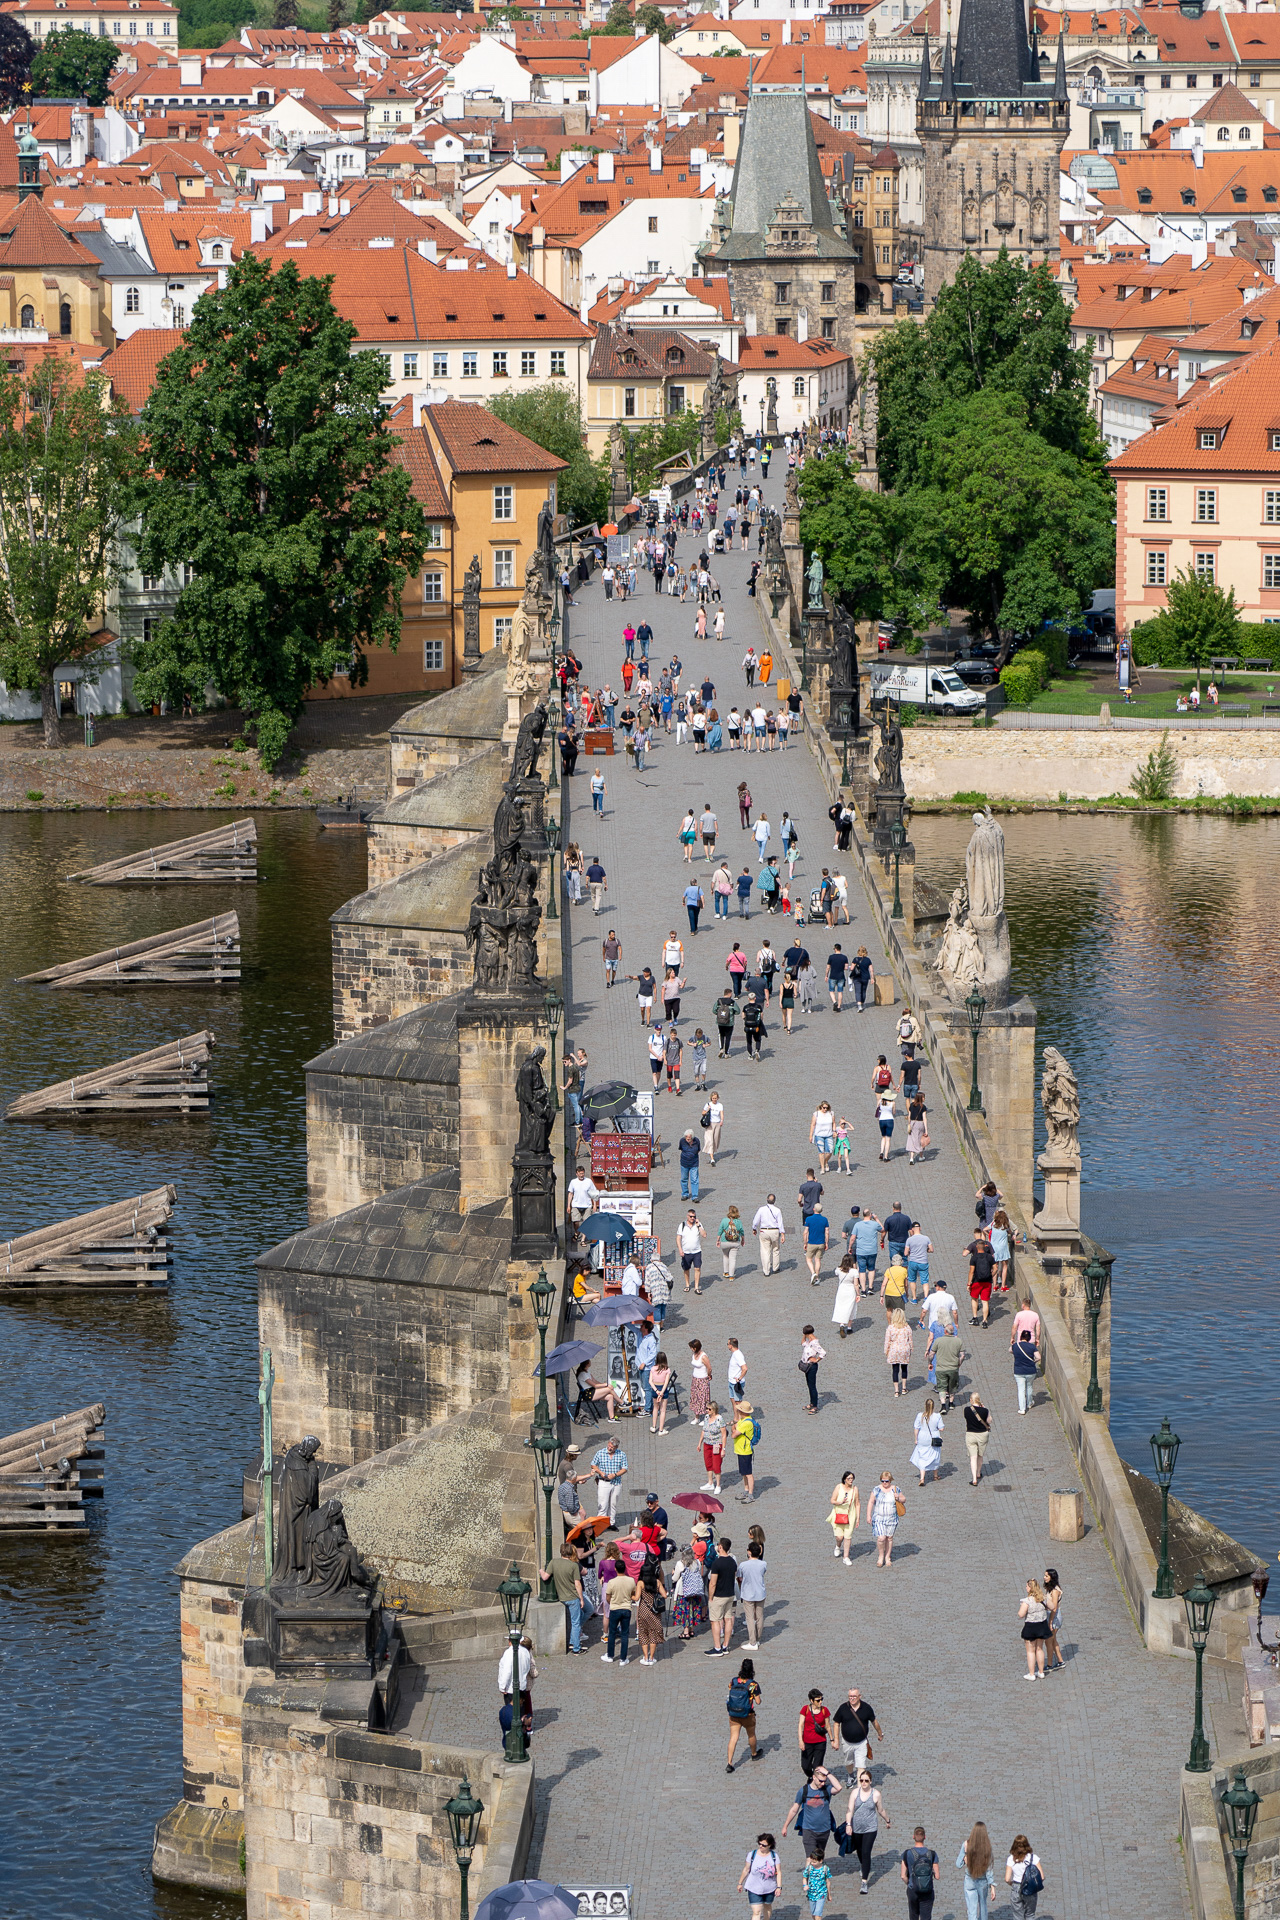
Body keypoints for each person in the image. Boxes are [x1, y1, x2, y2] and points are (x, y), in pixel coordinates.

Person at [843, 1770, 890, 1896]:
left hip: (870, 1828)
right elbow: (849, 1810)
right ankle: (864, 1866)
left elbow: (880, 1809)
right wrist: (848, 1824)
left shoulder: (876, 1794)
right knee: (859, 1850)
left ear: (871, 1781)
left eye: (866, 1781)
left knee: (866, 1852)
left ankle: (864, 1881)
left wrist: (887, 1820)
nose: (863, 1783)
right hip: (857, 1828)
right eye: (861, 1780)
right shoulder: (855, 1793)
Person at [782, 1765, 838, 1863]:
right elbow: (794, 1809)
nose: (823, 1783)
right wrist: (785, 1826)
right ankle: (806, 1878)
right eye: (820, 1781)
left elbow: (839, 1788)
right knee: (810, 1858)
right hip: (809, 1830)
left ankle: (818, 1877)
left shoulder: (826, 1790)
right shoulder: (804, 1791)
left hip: (824, 1830)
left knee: (819, 1858)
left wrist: (828, 1773)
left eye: (824, 1781)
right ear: (814, 1777)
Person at [832, 1686, 881, 1778]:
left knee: (861, 1767)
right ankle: (851, 1775)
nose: (852, 1698)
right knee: (848, 1762)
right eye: (850, 1696)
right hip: (847, 1742)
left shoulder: (866, 1708)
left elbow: (874, 1722)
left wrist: (880, 1733)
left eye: (854, 1696)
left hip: (861, 1743)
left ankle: (860, 1789)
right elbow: (836, 1723)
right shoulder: (843, 1708)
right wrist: (836, 1740)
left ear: (859, 1696)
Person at [726, 1658, 763, 1770]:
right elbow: (758, 1701)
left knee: (733, 1738)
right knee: (751, 1734)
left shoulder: (734, 1681)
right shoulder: (752, 1684)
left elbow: (730, 1690)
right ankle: (753, 1754)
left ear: (741, 1668)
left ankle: (730, 1763)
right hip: (747, 1714)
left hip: (734, 1714)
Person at [957, 1823, 996, 1920]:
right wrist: (992, 1886)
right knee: (983, 1907)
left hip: (969, 1879)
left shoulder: (966, 1844)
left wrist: (965, 1857)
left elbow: (958, 1864)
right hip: (983, 1881)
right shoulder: (987, 1847)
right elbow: (989, 1869)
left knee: (972, 1909)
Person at [601, 1560, 637, 1665]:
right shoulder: (631, 1580)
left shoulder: (612, 1582)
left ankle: (610, 1655)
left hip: (615, 1609)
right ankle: (623, 1659)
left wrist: (613, 1602)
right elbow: (632, 1593)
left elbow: (608, 1597)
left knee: (612, 1633)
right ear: (625, 1568)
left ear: (615, 1569)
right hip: (627, 1609)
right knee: (625, 1634)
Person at [707, 1532, 738, 1652]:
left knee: (715, 1620)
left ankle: (717, 1647)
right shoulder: (732, 1561)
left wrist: (710, 1597)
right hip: (730, 1594)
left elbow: (713, 1582)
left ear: (720, 1547)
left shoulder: (717, 1563)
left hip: (719, 1595)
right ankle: (725, 1645)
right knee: (728, 1619)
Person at [635, 1551, 667, 1666]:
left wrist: (631, 1596)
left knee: (643, 1634)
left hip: (643, 1609)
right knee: (653, 1634)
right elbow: (665, 1595)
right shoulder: (657, 1582)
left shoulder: (640, 1583)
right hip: (654, 1610)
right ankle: (652, 1658)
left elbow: (637, 1597)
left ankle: (645, 1657)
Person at [738, 1833, 781, 1919]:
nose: (760, 1846)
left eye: (764, 1845)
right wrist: (740, 1883)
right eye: (759, 1843)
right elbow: (746, 1869)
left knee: (767, 1907)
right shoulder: (752, 1855)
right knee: (756, 1911)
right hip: (753, 1888)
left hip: (769, 1888)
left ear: (770, 1845)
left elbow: (779, 1872)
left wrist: (779, 1887)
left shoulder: (774, 1856)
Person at [901, 1828, 941, 1920]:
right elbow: (937, 1876)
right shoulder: (932, 1854)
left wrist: (909, 1883)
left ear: (913, 1837)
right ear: (925, 1837)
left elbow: (903, 1876)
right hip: (927, 1890)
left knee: (913, 1915)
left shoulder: (907, 1853)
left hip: (913, 1889)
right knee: (926, 1917)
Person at [867, 1470, 903, 1567]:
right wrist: (868, 1515)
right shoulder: (876, 1489)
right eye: (882, 1481)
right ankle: (881, 1556)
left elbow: (904, 1499)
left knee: (889, 1538)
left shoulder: (895, 1489)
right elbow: (871, 1502)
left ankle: (888, 1557)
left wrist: (898, 1497)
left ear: (890, 1480)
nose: (884, 1483)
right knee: (881, 1538)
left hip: (891, 1518)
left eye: (886, 1481)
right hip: (879, 1517)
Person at [672, 1547, 708, 1640]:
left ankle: (686, 1631)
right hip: (695, 1589)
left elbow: (675, 1578)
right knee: (693, 1608)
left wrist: (673, 1573)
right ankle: (691, 1629)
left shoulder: (680, 1563)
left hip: (683, 1591)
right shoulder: (697, 1562)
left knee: (685, 1610)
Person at [1019, 1577, 1051, 1679]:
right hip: (1042, 1625)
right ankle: (1041, 1672)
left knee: (1030, 1651)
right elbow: (1052, 1606)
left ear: (1030, 1587)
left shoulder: (1027, 1601)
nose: (1026, 1588)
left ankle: (1031, 1674)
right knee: (1040, 1649)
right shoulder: (1043, 1598)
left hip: (1031, 1626)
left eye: (1027, 1586)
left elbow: (1021, 1614)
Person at [591, 1435, 628, 1523]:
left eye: (612, 1447)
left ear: (616, 1447)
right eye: (609, 1446)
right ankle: (600, 1523)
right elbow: (593, 1464)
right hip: (604, 1482)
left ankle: (611, 1522)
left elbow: (624, 1468)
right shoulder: (600, 1453)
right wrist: (600, 1472)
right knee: (602, 1504)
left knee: (613, 1504)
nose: (610, 1448)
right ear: (608, 1443)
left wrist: (615, 1474)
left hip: (616, 1482)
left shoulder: (621, 1454)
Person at [1006, 1837, 1045, 1918]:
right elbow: (1042, 1876)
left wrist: (1012, 1884)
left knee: (1017, 1916)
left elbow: (1007, 1879)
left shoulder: (1011, 1859)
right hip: (1030, 1888)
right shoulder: (1033, 1858)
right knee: (1030, 1914)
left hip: (1016, 1888)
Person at [797, 1689, 833, 1778]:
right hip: (807, 1742)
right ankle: (811, 1777)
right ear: (811, 1700)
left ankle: (815, 1781)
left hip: (820, 1742)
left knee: (817, 1766)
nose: (820, 1702)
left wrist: (832, 1739)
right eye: (818, 1700)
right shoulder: (805, 1709)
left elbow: (828, 1726)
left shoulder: (825, 1710)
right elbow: (800, 1725)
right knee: (805, 1765)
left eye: (821, 1699)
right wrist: (801, 1741)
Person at [736, 1535, 766, 1638]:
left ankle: (752, 1641)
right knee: (760, 1617)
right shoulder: (763, 1564)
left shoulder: (743, 1565)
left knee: (749, 1618)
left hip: (748, 1593)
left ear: (749, 1552)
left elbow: (739, 1578)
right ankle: (758, 1638)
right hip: (760, 1593)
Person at [932, 1323, 964, 1414]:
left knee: (942, 1387)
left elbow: (931, 1354)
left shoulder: (938, 1340)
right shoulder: (958, 1341)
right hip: (953, 1368)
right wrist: (959, 1364)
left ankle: (943, 1405)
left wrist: (930, 1362)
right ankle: (951, 1403)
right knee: (952, 1386)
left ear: (945, 1331)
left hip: (941, 1368)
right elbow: (962, 1355)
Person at [910, 1397, 943, 1486]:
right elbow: (941, 1428)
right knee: (935, 1455)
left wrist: (916, 1439)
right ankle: (935, 1475)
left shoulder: (920, 1415)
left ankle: (922, 1478)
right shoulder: (937, 1416)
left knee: (922, 1456)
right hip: (934, 1437)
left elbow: (916, 1428)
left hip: (922, 1437)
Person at [827, 1471, 859, 1563]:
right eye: (849, 1478)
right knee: (839, 1537)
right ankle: (838, 1546)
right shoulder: (839, 1487)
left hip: (850, 1516)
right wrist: (839, 1502)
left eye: (852, 1478)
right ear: (844, 1479)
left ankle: (846, 1557)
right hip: (838, 1515)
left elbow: (857, 1504)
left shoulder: (855, 1489)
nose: (851, 1480)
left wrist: (858, 1517)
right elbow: (832, 1500)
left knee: (848, 1537)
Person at [967, 1230, 996, 1328]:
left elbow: (971, 1271)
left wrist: (969, 1283)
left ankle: (975, 1318)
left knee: (974, 1299)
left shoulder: (974, 1258)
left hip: (976, 1281)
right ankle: (984, 1321)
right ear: (984, 1247)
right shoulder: (989, 1257)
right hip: (987, 1282)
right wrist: (991, 1275)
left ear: (976, 1248)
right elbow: (996, 1267)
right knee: (985, 1301)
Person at [753, 1193, 786, 1273]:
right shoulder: (777, 1210)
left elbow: (756, 1221)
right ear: (774, 1201)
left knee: (765, 1251)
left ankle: (766, 1271)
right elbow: (780, 1223)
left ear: (767, 1200)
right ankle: (775, 1268)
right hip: (774, 1231)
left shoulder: (761, 1209)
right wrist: (782, 1234)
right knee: (776, 1249)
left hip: (764, 1231)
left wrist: (754, 1228)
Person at [964, 1392, 992, 1485]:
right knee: (980, 1455)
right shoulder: (985, 1410)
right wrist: (983, 1409)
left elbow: (966, 1418)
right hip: (982, 1435)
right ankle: (978, 1472)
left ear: (971, 1400)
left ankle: (974, 1479)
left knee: (973, 1458)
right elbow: (989, 1421)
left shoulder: (967, 1410)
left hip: (971, 1434)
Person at [1012, 1322, 1040, 1415]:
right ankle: (1029, 1403)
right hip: (1030, 1370)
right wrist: (1033, 1362)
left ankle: (1022, 1409)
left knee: (1021, 1389)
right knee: (1029, 1386)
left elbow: (1010, 1350)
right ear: (1029, 1339)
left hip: (1019, 1371)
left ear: (1021, 1337)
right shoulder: (1032, 1347)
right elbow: (1038, 1357)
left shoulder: (1016, 1346)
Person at [733, 1401, 757, 1504]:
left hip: (745, 1451)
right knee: (744, 1473)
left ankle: (750, 1495)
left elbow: (734, 1434)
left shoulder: (746, 1423)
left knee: (748, 1473)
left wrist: (734, 1426)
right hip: (740, 1450)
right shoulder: (744, 1420)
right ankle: (746, 1491)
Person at [800, 1323, 826, 1414]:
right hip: (808, 1366)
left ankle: (815, 1406)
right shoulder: (809, 1341)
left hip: (812, 1366)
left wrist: (817, 1360)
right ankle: (811, 1403)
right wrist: (805, 1335)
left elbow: (823, 1352)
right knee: (809, 1385)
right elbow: (802, 1343)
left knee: (812, 1386)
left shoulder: (814, 1342)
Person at [832, 1254, 859, 1338]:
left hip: (841, 1290)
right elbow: (856, 1284)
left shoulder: (838, 1270)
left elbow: (836, 1272)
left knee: (841, 1307)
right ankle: (849, 1327)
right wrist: (858, 1294)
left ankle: (841, 1324)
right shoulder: (854, 1271)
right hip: (850, 1291)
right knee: (851, 1308)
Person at [678, 1209, 706, 1289]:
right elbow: (678, 1238)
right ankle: (687, 1284)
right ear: (687, 1216)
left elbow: (704, 1235)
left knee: (697, 1268)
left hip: (696, 1251)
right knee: (686, 1269)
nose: (692, 1218)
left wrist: (699, 1226)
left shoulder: (698, 1225)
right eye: (691, 1216)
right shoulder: (682, 1225)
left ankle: (696, 1287)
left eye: (694, 1217)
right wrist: (680, 1249)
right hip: (686, 1252)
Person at [1043, 1568, 1064, 1671]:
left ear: (1052, 1577)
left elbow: (1054, 1608)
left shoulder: (1055, 1591)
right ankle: (1060, 1661)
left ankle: (1050, 1664)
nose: (1044, 1577)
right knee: (1053, 1640)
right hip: (1049, 1615)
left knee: (1048, 1641)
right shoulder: (1050, 1589)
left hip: (1054, 1617)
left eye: (1046, 1576)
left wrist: (1050, 1621)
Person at [804, 1203, 830, 1286]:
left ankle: (813, 1273)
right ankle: (817, 1278)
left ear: (813, 1209)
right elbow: (827, 1232)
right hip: (821, 1243)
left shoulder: (809, 1219)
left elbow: (805, 1232)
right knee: (818, 1260)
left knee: (808, 1259)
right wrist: (826, 1242)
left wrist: (805, 1243)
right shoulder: (824, 1220)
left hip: (811, 1242)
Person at [688, 1336, 713, 1415]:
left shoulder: (704, 1357)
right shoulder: (694, 1354)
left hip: (702, 1379)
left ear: (695, 1348)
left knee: (703, 1398)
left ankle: (705, 1416)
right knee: (695, 1397)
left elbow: (709, 1368)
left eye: (692, 1347)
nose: (691, 1349)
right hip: (695, 1379)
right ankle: (697, 1417)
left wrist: (709, 1375)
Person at [810, 1101, 836, 1174]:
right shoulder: (816, 1114)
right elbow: (813, 1125)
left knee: (830, 1151)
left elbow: (833, 1123)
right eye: (824, 1108)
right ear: (821, 1107)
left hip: (829, 1135)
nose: (825, 1109)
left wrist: (834, 1131)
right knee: (821, 1152)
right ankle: (822, 1168)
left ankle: (825, 1161)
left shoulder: (831, 1113)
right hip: (819, 1135)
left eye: (827, 1108)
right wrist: (811, 1135)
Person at [803, 1855, 831, 1920]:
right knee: (813, 1914)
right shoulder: (809, 1868)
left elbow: (828, 1882)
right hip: (811, 1894)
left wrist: (829, 1894)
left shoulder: (825, 1869)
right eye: (811, 1862)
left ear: (820, 1861)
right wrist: (805, 1885)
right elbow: (805, 1877)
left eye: (814, 1862)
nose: (812, 1863)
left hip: (821, 1894)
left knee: (818, 1915)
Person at [990, 1210, 1012, 1290]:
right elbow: (1010, 1232)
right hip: (1003, 1248)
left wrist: (989, 1235)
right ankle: (1003, 1286)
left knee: (994, 1267)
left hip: (994, 1248)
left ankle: (995, 1285)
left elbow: (985, 1229)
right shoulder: (1005, 1226)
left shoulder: (993, 1225)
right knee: (1004, 1266)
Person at [875, 1085, 897, 1162]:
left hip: (882, 1120)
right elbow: (894, 1112)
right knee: (888, 1139)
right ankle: (886, 1156)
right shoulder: (892, 1103)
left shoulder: (880, 1101)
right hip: (890, 1120)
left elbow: (877, 1110)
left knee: (883, 1137)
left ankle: (881, 1152)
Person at [715, 990, 739, 1058]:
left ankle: (721, 1048)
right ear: (729, 994)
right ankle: (726, 1053)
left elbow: (714, 1010)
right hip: (729, 1022)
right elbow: (738, 1011)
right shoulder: (732, 1002)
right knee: (728, 1037)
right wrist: (732, 1013)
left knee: (721, 1035)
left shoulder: (718, 1001)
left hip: (720, 1022)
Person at [704, 1091, 726, 1166]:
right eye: (713, 1098)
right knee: (710, 1140)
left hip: (717, 1124)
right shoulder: (708, 1104)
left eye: (715, 1098)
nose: (714, 1100)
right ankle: (712, 1158)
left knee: (715, 1140)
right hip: (710, 1124)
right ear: (711, 1098)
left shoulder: (720, 1105)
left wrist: (722, 1121)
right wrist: (707, 1109)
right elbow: (703, 1113)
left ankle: (712, 1153)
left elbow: (721, 1114)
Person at [850, 946, 874, 1012]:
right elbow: (871, 970)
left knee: (858, 991)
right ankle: (862, 1003)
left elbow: (852, 968)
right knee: (863, 991)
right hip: (865, 977)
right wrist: (872, 978)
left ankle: (859, 1006)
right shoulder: (868, 960)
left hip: (857, 977)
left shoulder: (855, 959)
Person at [743, 991, 766, 1060]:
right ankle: (757, 1050)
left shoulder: (745, 1007)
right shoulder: (758, 1007)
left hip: (748, 1026)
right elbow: (761, 1016)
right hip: (756, 1026)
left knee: (749, 1041)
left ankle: (750, 1055)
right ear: (755, 998)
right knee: (758, 1039)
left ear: (748, 998)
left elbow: (743, 1016)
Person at [825, 944, 847, 1012]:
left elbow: (828, 967)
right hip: (841, 976)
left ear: (835, 949)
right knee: (840, 992)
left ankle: (835, 1002)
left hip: (832, 976)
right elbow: (846, 967)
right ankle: (839, 1006)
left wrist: (826, 975)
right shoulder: (844, 957)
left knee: (831, 990)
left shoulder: (831, 957)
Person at [907, 1097, 929, 1165]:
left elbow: (909, 1116)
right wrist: (926, 1130)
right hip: (920, 1124)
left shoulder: (911, 1105)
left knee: (912, 1140)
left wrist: (909, 1124)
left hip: (913, 1123)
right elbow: (924, 1118)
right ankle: (921, 1156)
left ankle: (911, 1158)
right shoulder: (923, 1107)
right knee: (920, 1139)